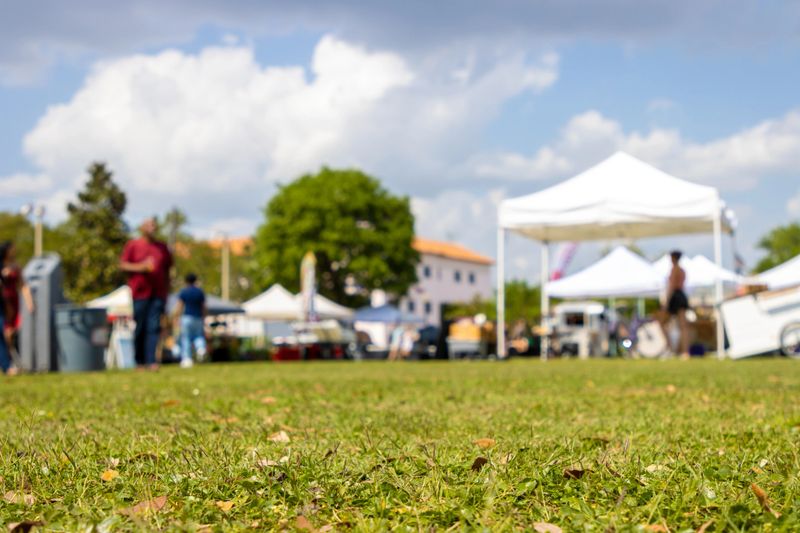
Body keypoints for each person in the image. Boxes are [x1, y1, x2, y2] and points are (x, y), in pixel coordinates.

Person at [120, 218, 172, 370]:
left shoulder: (162, 247)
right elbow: (123, 265)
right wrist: (140, 267)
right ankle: (139, 361)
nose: (152, 227)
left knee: (153, 327)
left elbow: (168, 271)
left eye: (154, 225)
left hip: (158, 293)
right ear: (141, 228)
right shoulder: (133, 245)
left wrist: (167, 292)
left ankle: (152, 361)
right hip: (140, 293)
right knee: (140, 327)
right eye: (149, 225)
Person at [1, 241, 34, 371]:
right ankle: (8, 362)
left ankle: (9, 361)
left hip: (14, 300)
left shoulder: (16, 266)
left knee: (12, 330)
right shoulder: (1, 265)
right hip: (3, 300)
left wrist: (29, 302)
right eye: (11, 249)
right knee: (5, 331)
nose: (13, 251)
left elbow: (23, 285)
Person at [172, 273, 207, 368]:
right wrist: (204, 317)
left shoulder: (184, 291)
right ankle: (201, 349)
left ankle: (187, 359)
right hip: (198, 317)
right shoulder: (200, 292)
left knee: (186, 338)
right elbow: (203, 307)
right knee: (199, 336)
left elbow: (180, 305)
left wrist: (176, 317)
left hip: (186, 317)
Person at [661, 249, 690, 359]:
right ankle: (684, 351)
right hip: (681, 296)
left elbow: (672, 287)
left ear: (673, 258)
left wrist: (666, 303)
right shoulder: (682, 270)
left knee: (663, 323)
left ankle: (672, 349)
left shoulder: (674, 270)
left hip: (675, 297)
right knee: (683, 326)